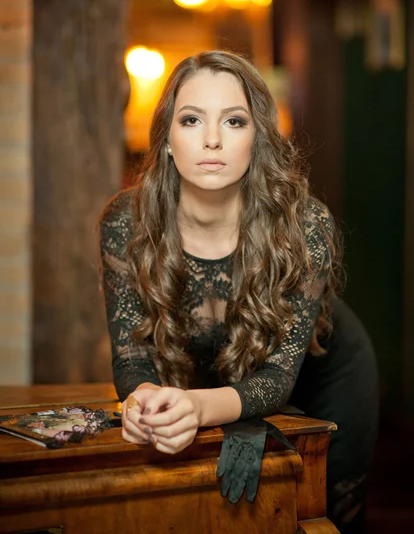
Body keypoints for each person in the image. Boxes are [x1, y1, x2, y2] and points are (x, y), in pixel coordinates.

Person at [98, 50, 378, 533]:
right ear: (166, 139)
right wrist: (142, 401)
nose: (211, 140)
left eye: (233, 121)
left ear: (258, 139)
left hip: (321, 376)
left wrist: (199, 406)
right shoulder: (127, 222)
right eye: (191, 120)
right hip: (213, 381)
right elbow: (132, 358)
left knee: (328, 513)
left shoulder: (305, 225)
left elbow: (275, 379)